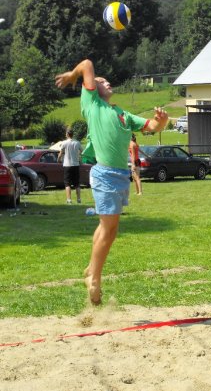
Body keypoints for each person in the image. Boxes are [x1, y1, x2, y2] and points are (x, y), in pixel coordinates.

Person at [55, 59, 168, 305]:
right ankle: (94, 278)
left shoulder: (122, 114)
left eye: (107, 80)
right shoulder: (92, 104)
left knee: (106, 227)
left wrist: (163, 119)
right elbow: (86, 64)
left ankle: (90, 269)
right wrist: (74, 75)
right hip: (104, 173)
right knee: (110, 229)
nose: (106, 82)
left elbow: (152, 126)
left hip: (120, 176)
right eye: (100, 81)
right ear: (91, 89)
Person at [58, 128, 83, 204]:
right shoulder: (77, 143)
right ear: (72, 134)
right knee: (77, 183)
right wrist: (78, 157)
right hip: (76, 164)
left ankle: (69, 200)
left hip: (67, 165)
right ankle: (79, 199)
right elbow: (82, 151)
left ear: (67, 134)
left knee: (67, 183)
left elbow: (61, 153)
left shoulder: (64, 143)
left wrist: (58, 159)